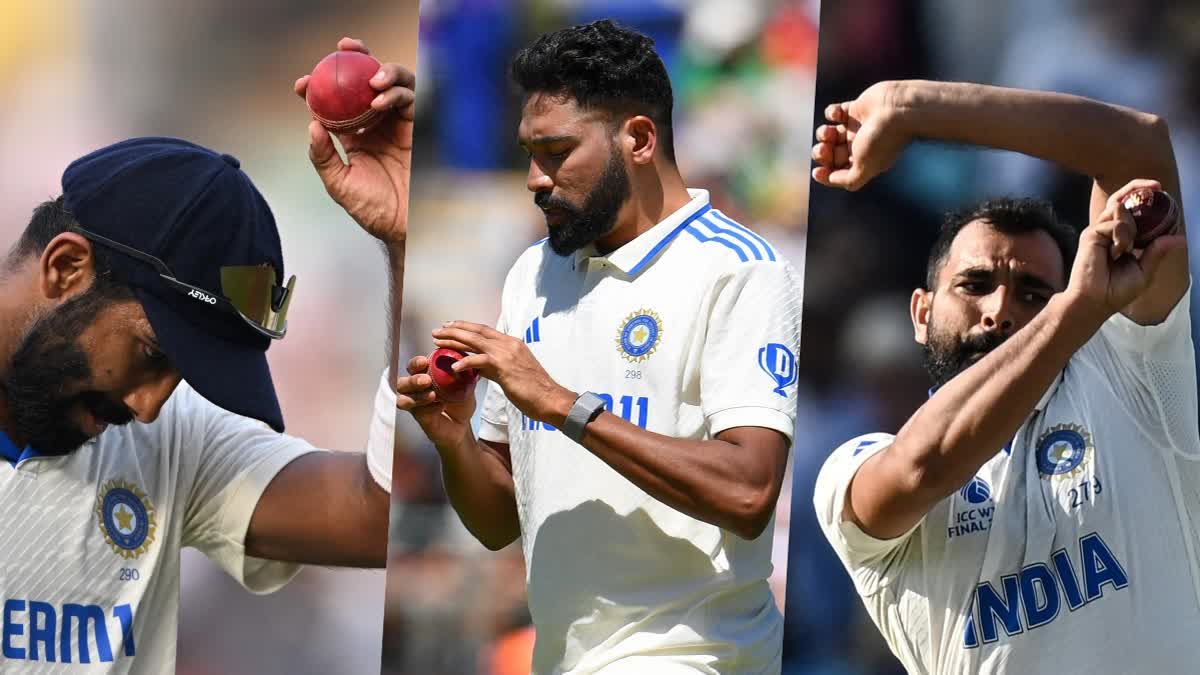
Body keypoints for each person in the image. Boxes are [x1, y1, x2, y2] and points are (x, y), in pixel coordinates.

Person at [383, 20, 802, 674]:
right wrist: (454, 439)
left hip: (695, 656)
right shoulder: (533, 274)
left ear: (638, 138)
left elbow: (750, 493)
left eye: (556, 151)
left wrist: (559, 403)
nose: (533, 178)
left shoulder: (740, 270)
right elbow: (496, 521)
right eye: (528, 151)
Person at [0, 38, 410, 672]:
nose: (147, 407)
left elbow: (381, 512)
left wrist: (401, 241)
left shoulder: (175, 443)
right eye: (151, 351)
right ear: (66, 267)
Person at [810, 79, 1196, 673]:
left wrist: (912, 106)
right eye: (974, 284)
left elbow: (1137, 145)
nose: (1000, 311)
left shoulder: (1128, 381)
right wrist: (1074, 307)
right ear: (920, 312)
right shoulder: (851, 466)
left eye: (1033, 292)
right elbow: (924, 465)